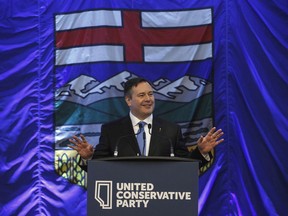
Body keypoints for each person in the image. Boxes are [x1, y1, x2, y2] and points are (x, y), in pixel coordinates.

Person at [69, 77, 224, 167]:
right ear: (129, 100)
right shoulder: (112, 130)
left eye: (150, 94)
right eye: (142, 95)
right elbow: (100, 169)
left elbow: (186, 166)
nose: (148, 99)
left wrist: (201, 152)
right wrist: (88, 158)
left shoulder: (171, 130)